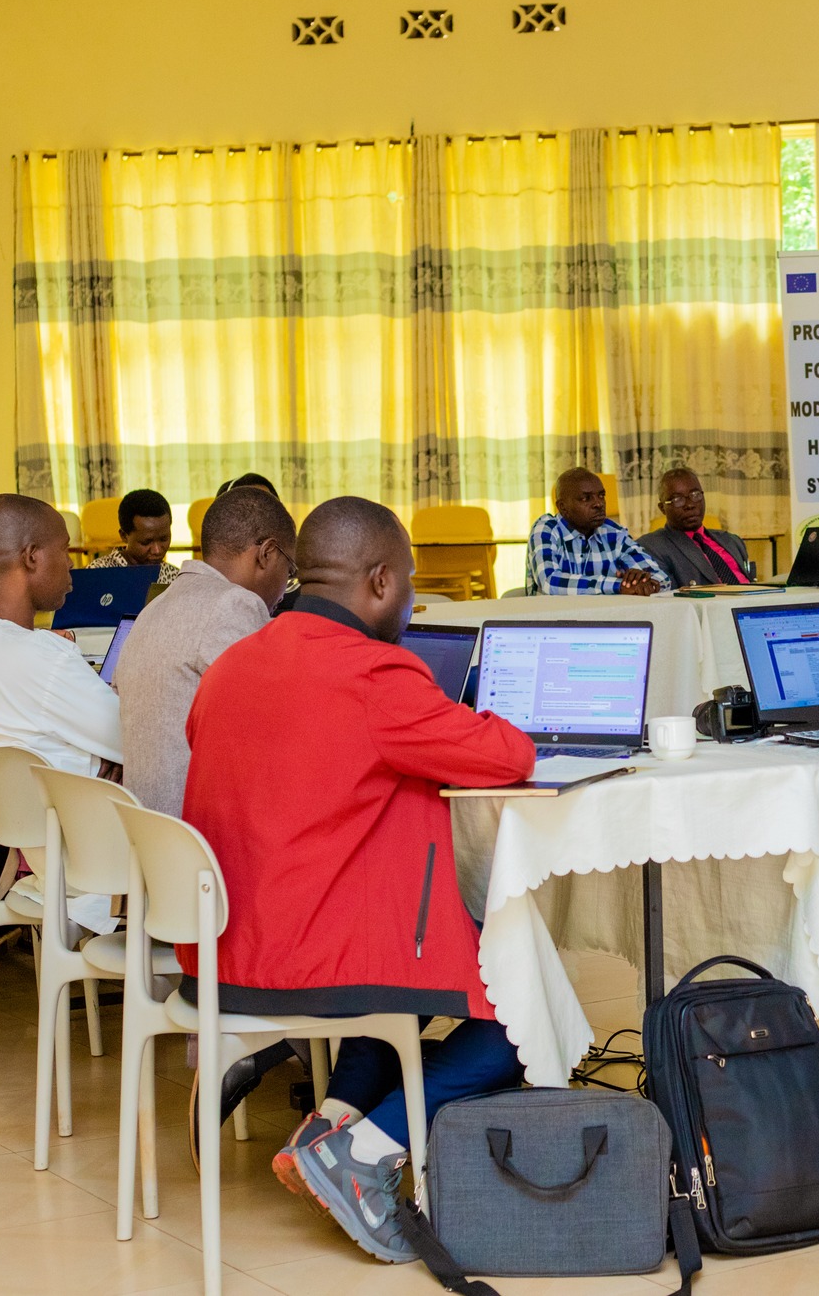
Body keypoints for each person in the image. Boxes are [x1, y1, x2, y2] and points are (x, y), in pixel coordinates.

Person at [181, 497, 533, 1263]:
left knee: (402, 975)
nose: (411, 598)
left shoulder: (233, 662)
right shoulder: (375, 672)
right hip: (311, 954)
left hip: (224, 945)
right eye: (409, 581)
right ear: (379, 581)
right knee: (521, 1009)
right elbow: (507, 755)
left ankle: (326, 1126)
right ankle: (368, 1149)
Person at [116, 486, 294, 817]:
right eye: (290, 569)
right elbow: (276, 726)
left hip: (150, 830)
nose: (285, 590)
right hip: (200, 832)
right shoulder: (234, 603)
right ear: (267, 553)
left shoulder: (155, 607)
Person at [0, 495, 122, 781]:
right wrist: (109, 760)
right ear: (32, 557)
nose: (70, 563)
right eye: (64, 549)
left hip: (4, 809)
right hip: (80, 809)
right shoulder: (47, 658)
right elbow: (140, 742)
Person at [524, 467, 668, 595]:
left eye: (601, 495)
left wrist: (642, 581)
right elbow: (549, 581)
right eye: (586, 498)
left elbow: (662, 580)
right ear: (563, 507)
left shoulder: (613, 533)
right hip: (554, 616)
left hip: (603, 616)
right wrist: (618, 586)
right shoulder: (546, 529)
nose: (598, 504)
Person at [637, 468, 755, 587]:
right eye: (677, 500)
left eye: (695, 495)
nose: (690, 505)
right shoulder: (651, 547)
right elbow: (667, 594)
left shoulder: (732, 541)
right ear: (662, 508)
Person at [87, 488, 181, 582]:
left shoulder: (176, 578)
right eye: (146, 542)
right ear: (124, 536)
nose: (157, 550)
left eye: (164, 539)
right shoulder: (97, 574)